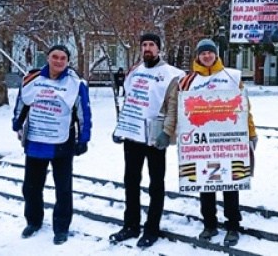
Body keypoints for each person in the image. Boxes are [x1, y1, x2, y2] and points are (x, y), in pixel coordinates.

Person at [155, 39, 258, 247]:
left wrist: (251, 132)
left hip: (228, 141)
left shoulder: (231, 76)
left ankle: (232, 225)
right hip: (200, 144)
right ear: (198, 56)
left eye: (210, 52)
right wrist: (167, 132)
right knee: (205, 183)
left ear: (216, 54)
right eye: (203, 53)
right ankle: (209, 223)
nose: (207, 56)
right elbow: (176, 108)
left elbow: (244, 106)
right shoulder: (186, 80)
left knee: (230, 182)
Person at [109, 33, 184, 249]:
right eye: (144, 45)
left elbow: (173, 106)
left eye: (152, 45)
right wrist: (120, 126)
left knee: (156, 184)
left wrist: (167, 132)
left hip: (155, 137)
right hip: (132, 136)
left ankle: (152, 228)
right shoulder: (135, 71)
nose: (147, 48)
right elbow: (129, 102)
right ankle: (131, 225)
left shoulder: (170, 75)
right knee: (131, 182)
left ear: (159, 49)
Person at [12, 44, 92, 245]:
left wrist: (83, 139)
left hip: (62, 143)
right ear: (48, 58)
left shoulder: (76, 83)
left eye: (62, 58)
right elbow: (22, 103)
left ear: (67, 61)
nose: (58, 61)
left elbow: (84, 112)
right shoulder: (32, 79)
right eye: (54, 57)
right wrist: (17, 124)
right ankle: (33, 221)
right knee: (31, 187)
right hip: (36, 141)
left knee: (63, 189)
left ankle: (61, 227)